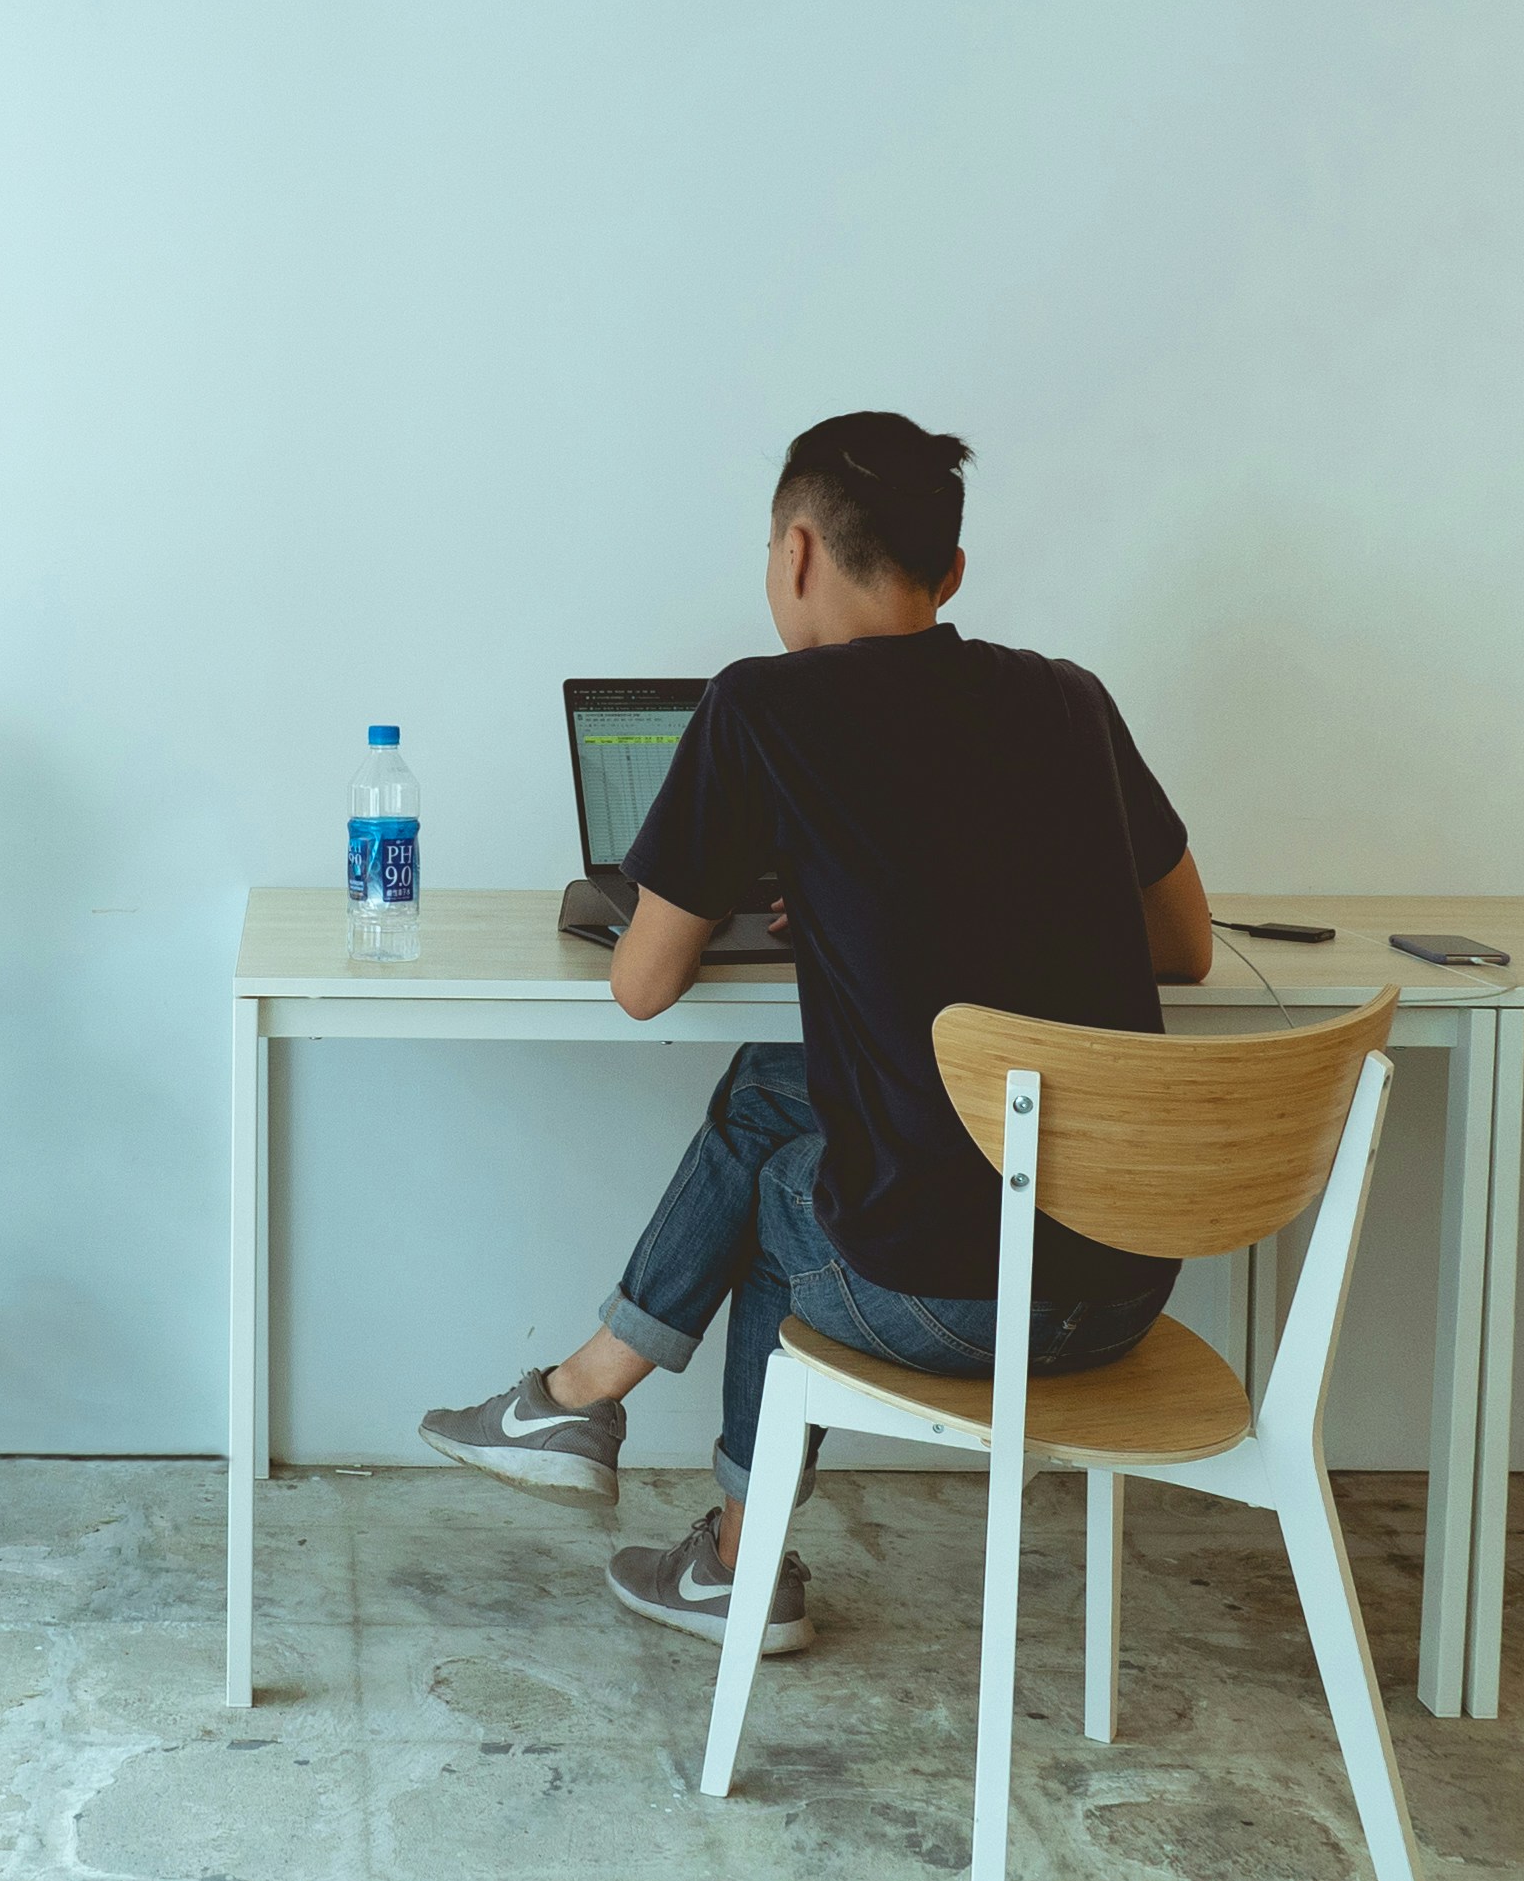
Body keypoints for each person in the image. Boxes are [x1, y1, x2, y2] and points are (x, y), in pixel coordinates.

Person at [417, 412, 1216, 1650]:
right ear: (950, 576)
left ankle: (695, 1519)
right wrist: (884, 902)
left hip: (958, 1306)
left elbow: (643, 982)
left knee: (794, 1180)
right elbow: (1185, 947)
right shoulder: (1069, 701)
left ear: (796, 551)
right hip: (1126, 1285)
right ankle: (581, 1409)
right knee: (773, 1085)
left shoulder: (764, 711)